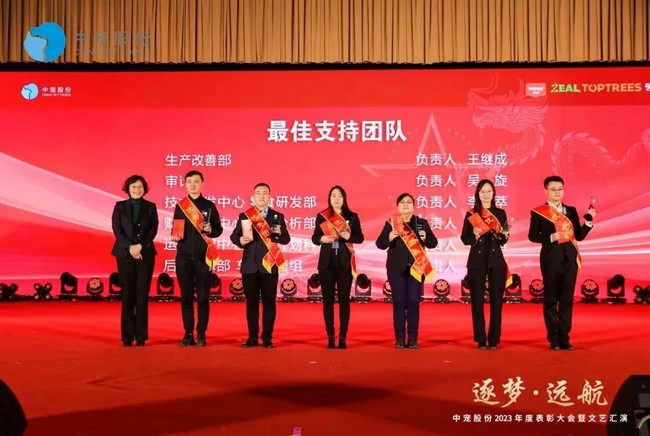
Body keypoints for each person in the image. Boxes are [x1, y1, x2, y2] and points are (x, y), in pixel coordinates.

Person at [528, 175, 594, 351]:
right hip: (550, 260)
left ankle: (565, 338)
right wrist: (551, 237)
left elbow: (579, 235)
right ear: (546, 191)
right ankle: (554, 339)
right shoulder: (538, 212)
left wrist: (589, 222)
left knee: (567, 300)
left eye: (560, 189)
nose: (557, 192)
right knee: (551, 299)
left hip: (570, 260)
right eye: (553, 189)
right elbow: (532, 236)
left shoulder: (571, 210)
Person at [231, 183, 291, 348]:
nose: (262, 196)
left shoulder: (277, 216)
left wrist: (279, 235)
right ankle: (252, 337)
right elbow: (234, 236)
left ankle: (267, 338)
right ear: (253, 196)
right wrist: (240, 240)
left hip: (269, 265)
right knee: (251, 303)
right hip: (249, 266)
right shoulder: (245, 215)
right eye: (258, 193)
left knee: (269, 303)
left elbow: (286, 239)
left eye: (265, 193)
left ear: (269, 197)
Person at [376, 193, 438, 349]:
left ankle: (412, 338)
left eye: (409, 202)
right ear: (398, 206)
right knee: (398, 303)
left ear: (414, 206)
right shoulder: (391, 223)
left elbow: (433, 243)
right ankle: (399, 338)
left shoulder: (421, 223)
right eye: (402, 202)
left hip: (417, 268)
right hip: (396, 268)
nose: (405, 205)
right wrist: (389, 237)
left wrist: (425, 238)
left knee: (413, 302)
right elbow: (380, 244)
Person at [172, 170, 223, 347]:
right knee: (186, 297)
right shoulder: (181, 206)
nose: (193, 185)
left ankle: (201, 333)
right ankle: (188, 334)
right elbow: (176, 227)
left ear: (202, 183)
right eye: (189, 182)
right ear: (185, 184)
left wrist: (211, 230)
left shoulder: (209, 206)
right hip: (183, 258)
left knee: (202, 297)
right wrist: (175, 236)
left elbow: (218, 230)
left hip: (203, 258)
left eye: (196, 181)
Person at [311, 186, 365, 349]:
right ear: (329, 198)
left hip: (344, 263)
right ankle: (330, 336)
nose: (336, 198)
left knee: (344, 301)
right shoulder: (322, 216)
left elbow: (360, 238)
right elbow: (314, 238)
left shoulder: (352, 217)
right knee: (328, 301)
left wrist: (349, 236)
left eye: (339, 196)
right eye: (333, 195)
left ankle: (342, 337)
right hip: (326, 264)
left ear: (344, 198)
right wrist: (322, 239)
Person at [460, 179, 510, 350]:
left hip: (496, 260)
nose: (486, 194)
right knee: (477, 301)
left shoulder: (501, 213)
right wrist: (474, 235)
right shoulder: (472, 213)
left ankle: (494, 339)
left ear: (494, 193)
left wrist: (503, 235)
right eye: (482, 191)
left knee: (496, 301)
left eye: (489, 191)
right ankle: (481, 338)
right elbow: (464, 238)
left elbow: (504, 238)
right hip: (477, 260)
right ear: (478, 194)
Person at [111, 175, 159, 347]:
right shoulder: (120, 206)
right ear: (128, 189)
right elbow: (117, 229)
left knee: (142, 295)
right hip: (125, 254)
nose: (137, 189)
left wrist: (140, 246)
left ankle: (140, 336)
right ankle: (126, 336)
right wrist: (130, 247)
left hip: (145, 255)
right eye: (133, 187)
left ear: (144, 189)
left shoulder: (151, 207)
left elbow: (153, 229)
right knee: (127, 295)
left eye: (139, 187)